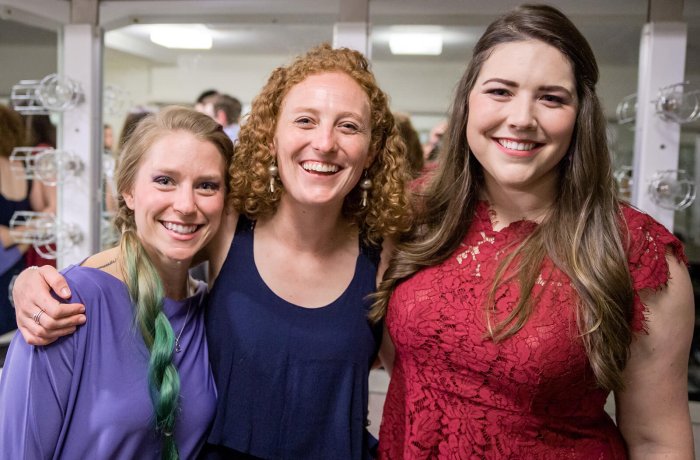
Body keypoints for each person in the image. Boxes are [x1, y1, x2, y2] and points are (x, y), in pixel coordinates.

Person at [11, 44, 412, 459]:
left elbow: (419, 375)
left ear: (372, 149)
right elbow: (145, 252)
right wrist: (37, 283)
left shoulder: (383, 250)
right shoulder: (234, 224)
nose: (324, 142)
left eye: (348, 126)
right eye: (305, 120)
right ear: (273, 135)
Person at [371, 4, 694, 459]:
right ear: (468, 101)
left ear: (580, 115)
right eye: (500, 91)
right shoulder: (419, 211)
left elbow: (657, 441)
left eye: (552, 98)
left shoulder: (638, 254)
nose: (522, 117)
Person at [0, 107, 232, 458]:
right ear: (128, 191)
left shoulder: (207, 310)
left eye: (207, 185)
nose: (186, 205)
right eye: (164, 180)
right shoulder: (64, 304)